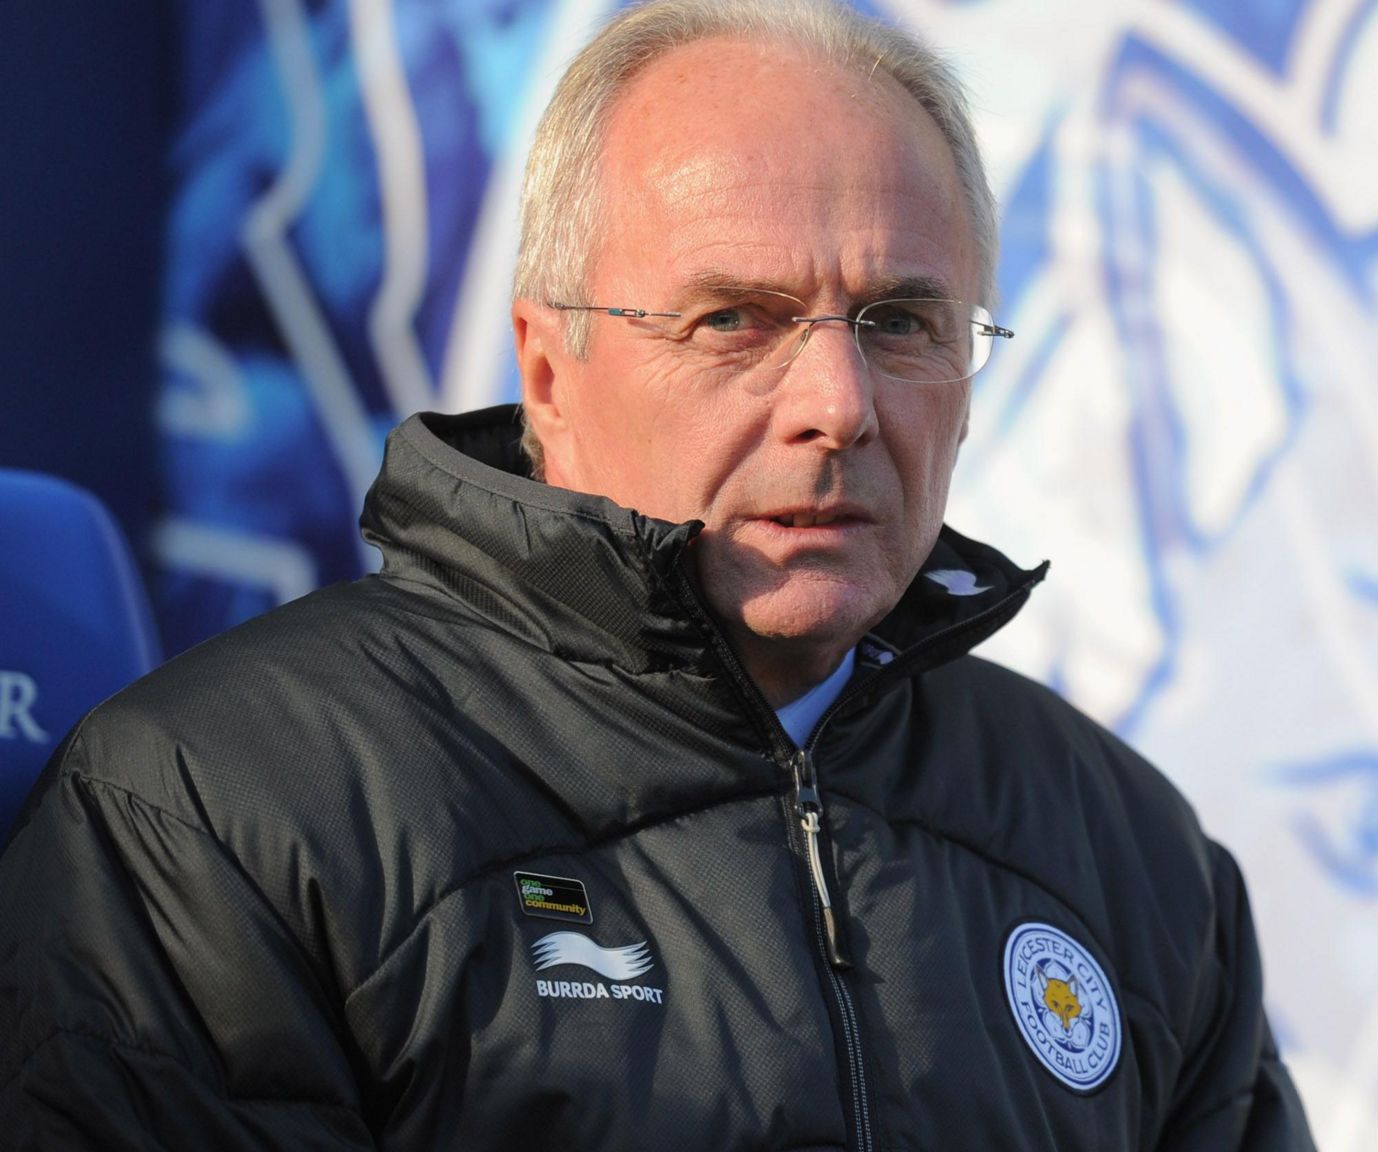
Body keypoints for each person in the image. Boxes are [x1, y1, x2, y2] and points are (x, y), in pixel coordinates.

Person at [0, 1, 1312, 1147]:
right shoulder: (218, 812)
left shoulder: (1137, 863)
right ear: (549, 369)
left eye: (901, 322)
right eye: (734, 317)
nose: (839, 404)